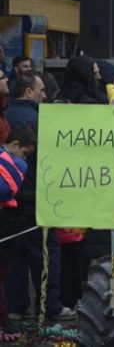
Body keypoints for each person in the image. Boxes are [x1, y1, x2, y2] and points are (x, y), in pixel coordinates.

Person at [4, 73, 74, 322]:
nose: (45, 95)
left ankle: (16, 307)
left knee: (16, 256)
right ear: (28, 92)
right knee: (46, 253)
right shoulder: (40, 120)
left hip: (11, 200)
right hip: (36, 197)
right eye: (41, 90)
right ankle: (49, 305)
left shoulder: (7, 116)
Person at [0, 126, 35, 341]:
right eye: (25, 153)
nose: (26, 161)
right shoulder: (10, 172)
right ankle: (5, 321)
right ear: (15, 146)